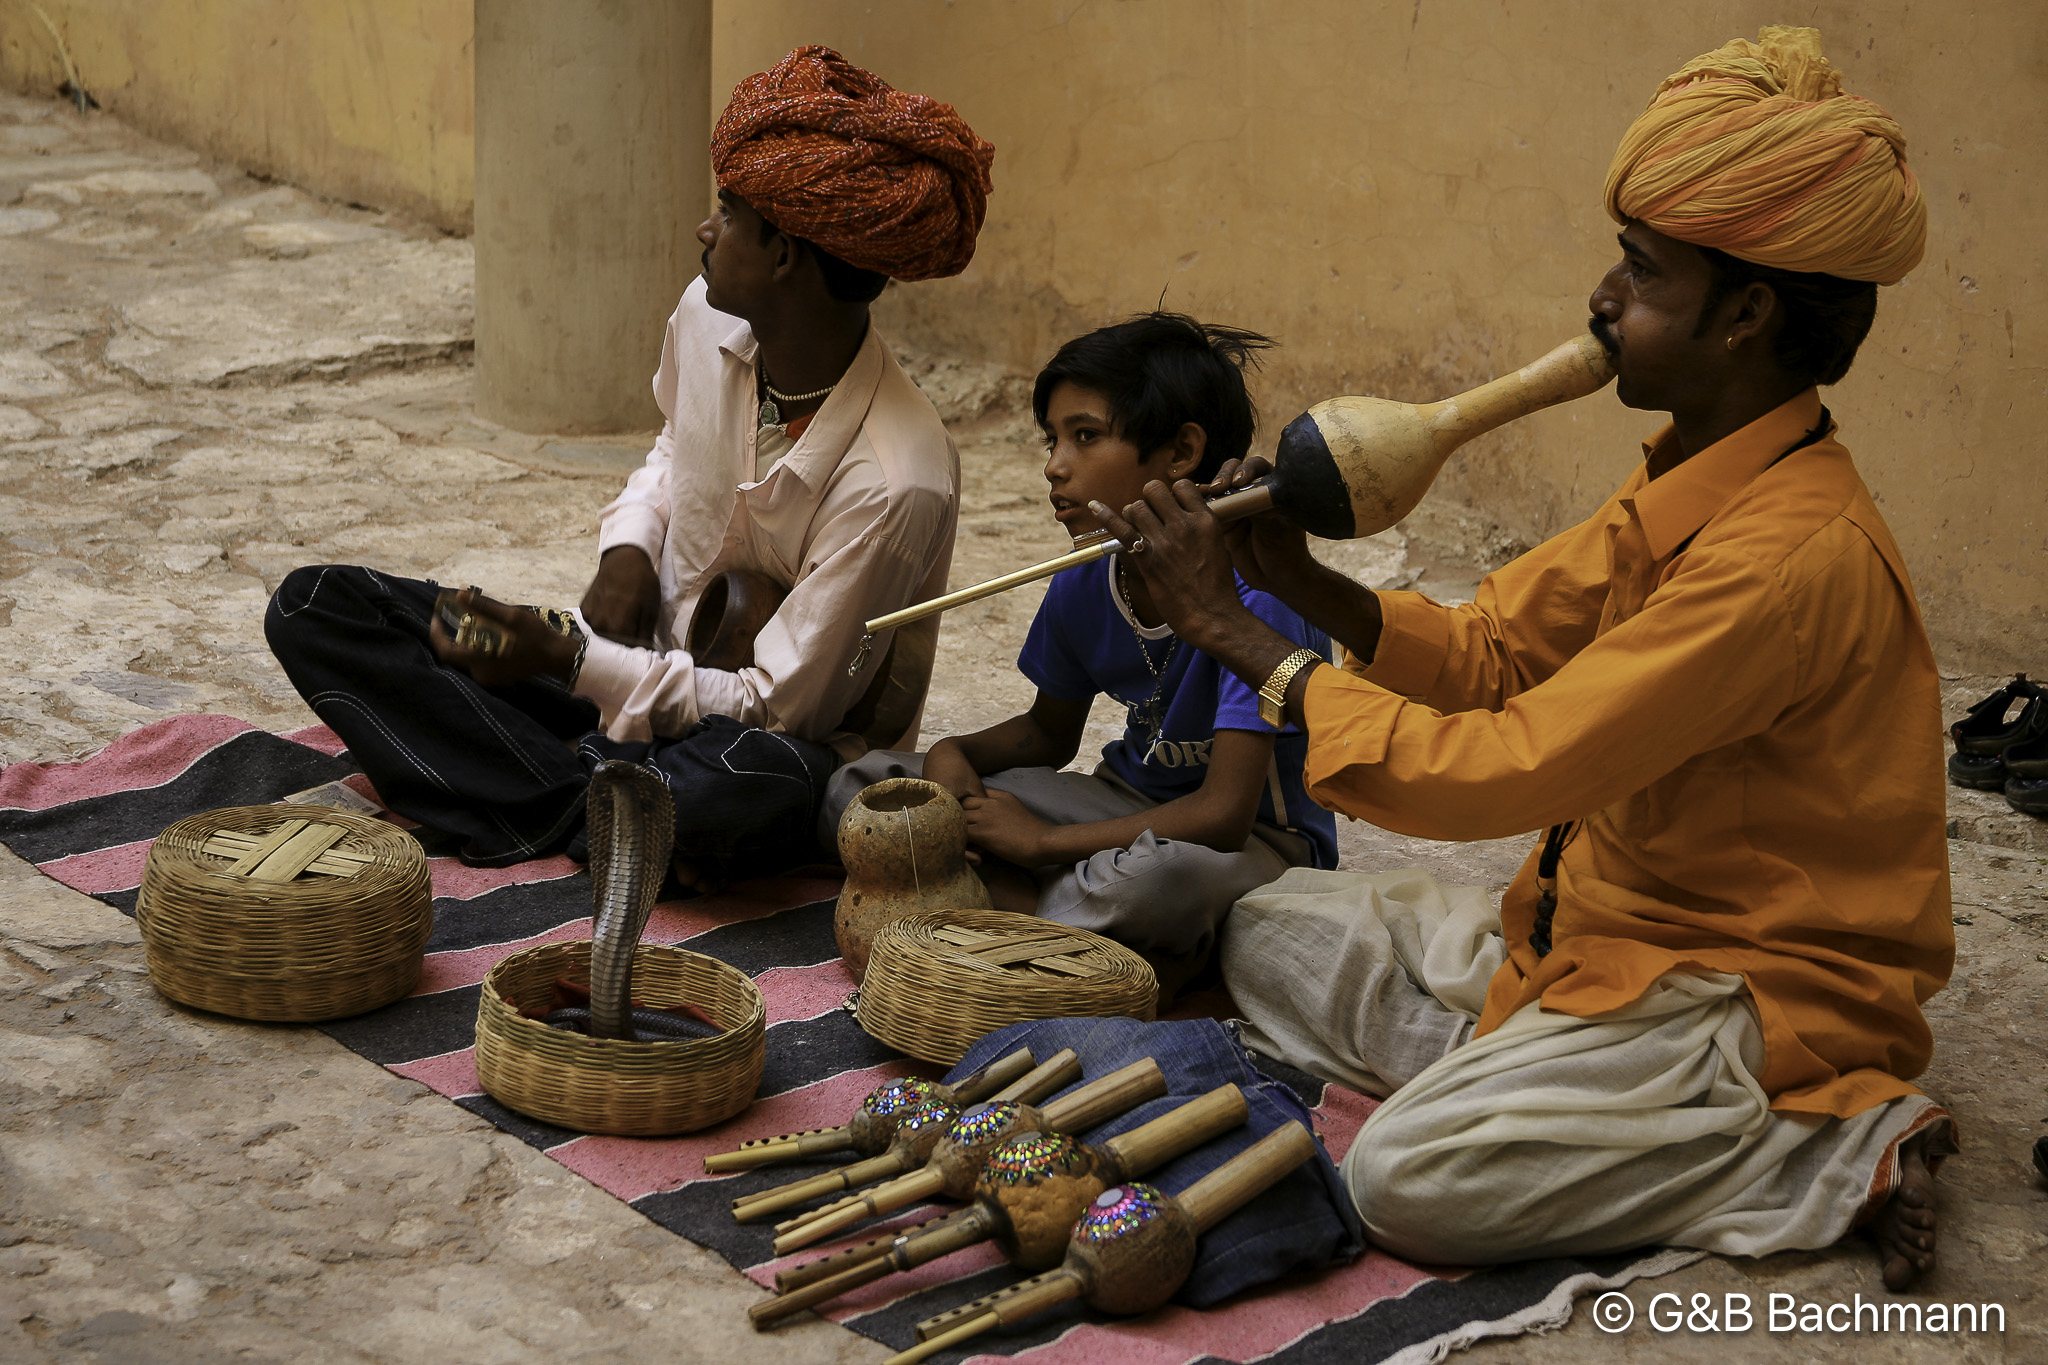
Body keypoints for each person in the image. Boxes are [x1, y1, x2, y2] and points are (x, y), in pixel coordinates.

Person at [1093, 27, 1951, 1289]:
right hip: (1585, 935)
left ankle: (1835, 1144)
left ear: (1746, 315)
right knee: (1262, 923)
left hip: (1733, 987)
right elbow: (1495, 651)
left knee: (1404, 1183)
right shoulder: (1691, 473)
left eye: (1641, 274)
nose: (1602, 299)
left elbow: (1498, 774)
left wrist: (1232, 631)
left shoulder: (1784, 559)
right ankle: (1558, 1095)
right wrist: (1291, 579)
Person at [265, 47, 994, 880]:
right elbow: (672, 446)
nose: (704, 230)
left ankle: (546, 789)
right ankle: (599, 804)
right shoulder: (705, 313)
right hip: (633, 677)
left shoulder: (899, 477)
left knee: (739, 789)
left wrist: (565, 660)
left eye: (726, 213)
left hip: (758, 747)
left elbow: (780, 708)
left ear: (785, 254)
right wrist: (630, 544)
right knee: (317, 608)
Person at [823, 315, 1337, 989]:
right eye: (1054, 438)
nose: (1053, 463)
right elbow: (1048, 733)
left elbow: (1222, 814)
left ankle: (1019, 900)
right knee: (864, 785)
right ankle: (1074, 929)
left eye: (1085, 436)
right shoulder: (1089, 574)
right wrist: (960, 755)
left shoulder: (1258, 594)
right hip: (1121, 802)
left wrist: (1037, 843)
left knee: (1152, 883)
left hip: (1255, 845)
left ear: (1181, 452)